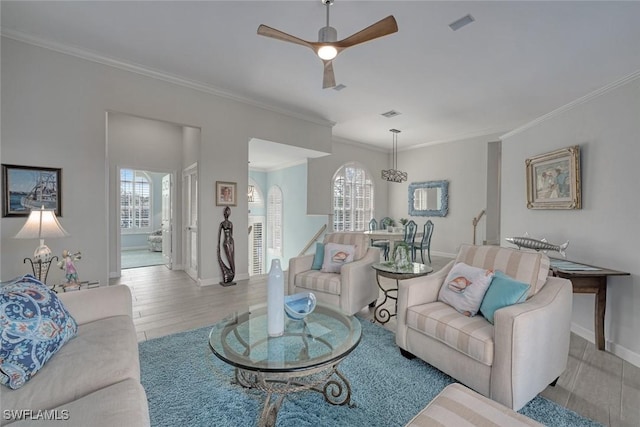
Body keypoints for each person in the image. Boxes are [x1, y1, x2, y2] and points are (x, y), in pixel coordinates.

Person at [217, 206, 235, 284]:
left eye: (228, 212)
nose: (227, 214)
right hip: (226, 243)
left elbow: (232, 234)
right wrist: (218, 246)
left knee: (232, 259)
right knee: (230, 259)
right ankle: (230, 274)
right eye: (226, 212)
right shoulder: (222, 224)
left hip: (231, 242)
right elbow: (219, 235)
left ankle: (231, 274)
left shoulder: (231, 223)